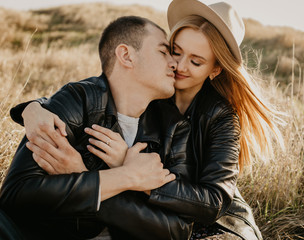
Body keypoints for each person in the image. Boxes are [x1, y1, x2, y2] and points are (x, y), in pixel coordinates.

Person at [5, 0, 284, 239]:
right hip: (151, 209)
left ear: (215, 69)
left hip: (214, 213)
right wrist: (33, 107)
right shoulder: (152, 97)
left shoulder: (220, 116)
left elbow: (212, 202)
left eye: (196, 62)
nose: (179, 65)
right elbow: (94, 92)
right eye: (174, 51)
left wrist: (131, 171)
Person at [0, 15, 193, 240]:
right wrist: (127, 178)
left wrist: (85, 175)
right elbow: (16, 195)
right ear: (126, 56)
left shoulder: (173, 128)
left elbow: (178, 231)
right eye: (163, 52)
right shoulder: (79, 99)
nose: (175, 63)